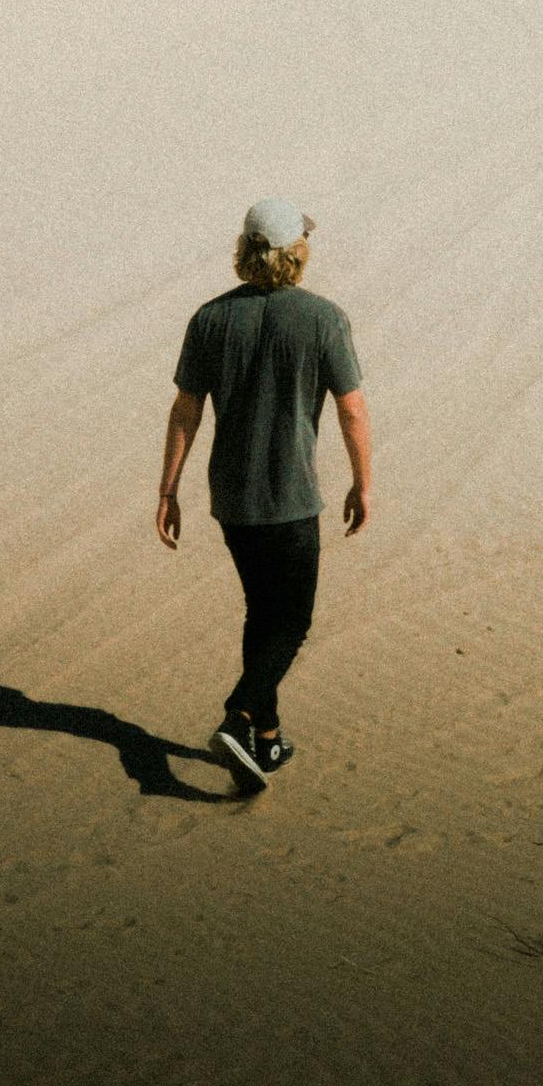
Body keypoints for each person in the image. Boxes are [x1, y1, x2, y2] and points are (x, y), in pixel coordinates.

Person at [155, 200, 370, 788]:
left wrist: (168, 489)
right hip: (292, 498)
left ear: (246, 251)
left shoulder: (210, 319)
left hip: (232, 498)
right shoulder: (324, 319)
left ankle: (266, 741)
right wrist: (362, 482)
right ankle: (239, 714)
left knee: (263, 612)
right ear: (297, 253)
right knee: (293, 620)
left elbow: (185, 409)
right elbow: (352, 409)